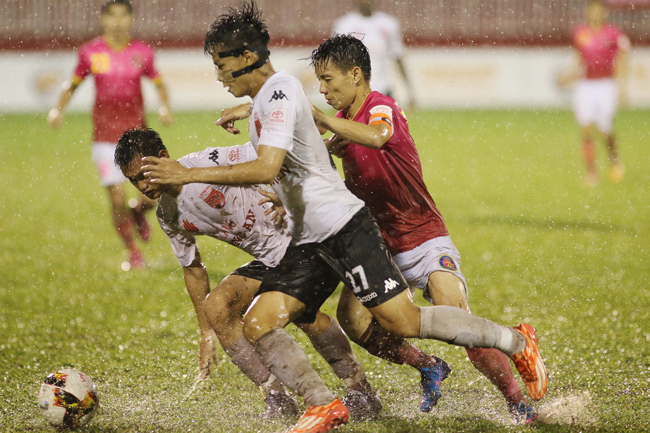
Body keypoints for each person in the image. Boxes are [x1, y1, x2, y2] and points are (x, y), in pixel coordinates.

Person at [141, 3, 547, 432]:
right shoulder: (273, 100)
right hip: (313, 238)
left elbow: (267, 165)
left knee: (405, 322)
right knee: (261, 321)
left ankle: (515, 343)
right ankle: (323, 404)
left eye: (222, 65)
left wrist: (187, 174)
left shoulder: (288, 93)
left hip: (351, 228)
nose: (219, 76)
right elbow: (303, 150)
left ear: (246, 57)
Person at [115, 127, 446, 420]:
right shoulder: (168, 215)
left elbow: (268, 155)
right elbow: (193, 268)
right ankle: (276, 394)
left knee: (335, 318)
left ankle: (357, 390)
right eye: (134, 181)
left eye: (145, 174)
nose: (143, 186)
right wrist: (206, 333)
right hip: (271, 259)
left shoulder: (208, 162)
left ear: (162, 157)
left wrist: (322, 148)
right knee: (219, 307)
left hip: (305, 238)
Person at [309, 33, 539, 424]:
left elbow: (379, 138)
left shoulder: (381, 107)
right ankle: (427, 366)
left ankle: (518, 401)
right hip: (379, 245)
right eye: (319, 80)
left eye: (329, 79)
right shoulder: (346, 125)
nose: (322, 88)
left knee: (458, 321)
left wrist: (325, 122)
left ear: (355, 74)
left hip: (423, 236)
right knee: (353, 319)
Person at [47, 0, 173, 269]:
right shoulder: (90, 52)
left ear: (130, 19)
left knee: (156, 192)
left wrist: (164, 106)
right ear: (104, 20)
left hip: (137, 135)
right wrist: (58, 109)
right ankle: (133, 251)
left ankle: (139, 210)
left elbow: (159, 83)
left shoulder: (142, 52)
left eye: (123, 16)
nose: (118, 22)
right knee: (116, 198)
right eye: (112, 16)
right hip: (104, 137)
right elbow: (72, 84)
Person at [557, 0, 630, 186]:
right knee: (586, 128)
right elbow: (578, 59)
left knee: (605, 130)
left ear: (604, 13)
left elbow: (621, 60)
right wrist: (568, 75)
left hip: (606, 84)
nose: (594, 14)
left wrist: (621, 88)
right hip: (586, 85)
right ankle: (591, 174)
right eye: (591, 11)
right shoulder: (580, 33)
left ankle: (614, 160)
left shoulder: (613, 34)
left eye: (598, 11)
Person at [333, 0, 415, 110]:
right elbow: (336, 62)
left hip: (383, 90)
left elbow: (397, 57)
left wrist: (409, 90)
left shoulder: (389, 23)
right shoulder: (344, 25)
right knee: (355, 126)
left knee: (388, 126)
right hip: (355, 91)